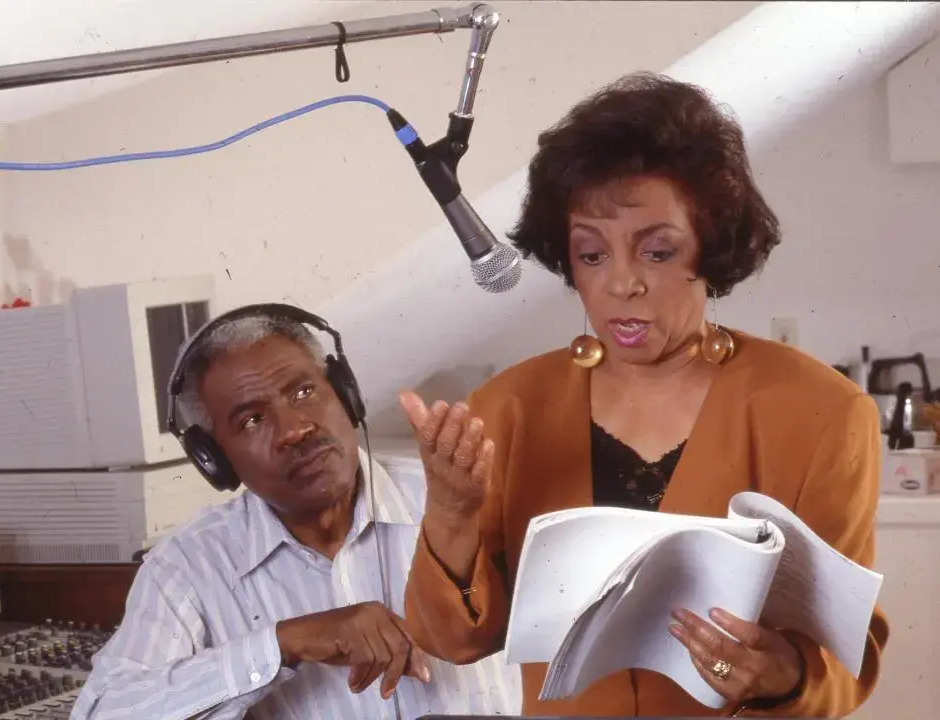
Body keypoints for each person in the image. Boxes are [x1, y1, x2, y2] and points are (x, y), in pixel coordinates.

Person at [399, 72, 889, 718]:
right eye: (592, 255)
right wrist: (452, 520)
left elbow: (842, 662)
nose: (622, 284)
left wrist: (783, 673)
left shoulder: (822, 413)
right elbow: (450, 641)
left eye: (657, 252)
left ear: (710, 249)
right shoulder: (508, 410)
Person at [71, 305, 521, 720]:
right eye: (252, 420)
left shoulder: (463, 493)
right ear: (216, 460)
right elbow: (103, 711)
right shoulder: (187, 566)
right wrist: (283, 643)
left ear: (346, 395)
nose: (295, 430)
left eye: (304, 391)